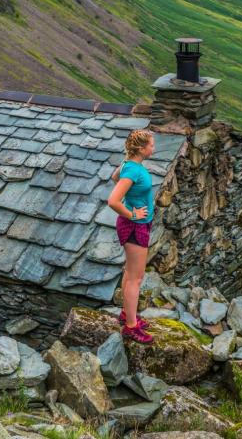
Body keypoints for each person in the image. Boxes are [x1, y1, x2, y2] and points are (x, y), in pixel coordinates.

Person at [107, 128, 156, 343]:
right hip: (135, 226)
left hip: (139, 225)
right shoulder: (133, 170)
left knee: (130, 273)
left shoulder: (129, 166)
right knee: (136, 278)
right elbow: (113, 200)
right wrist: (132, 213)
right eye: (151, 145)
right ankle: (130, 327)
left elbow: (114, 176)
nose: (153, 148)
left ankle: (128, 315)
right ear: (142, 148)